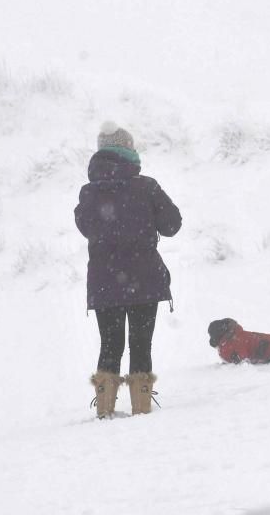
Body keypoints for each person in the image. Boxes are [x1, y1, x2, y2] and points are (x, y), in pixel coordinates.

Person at [75, 122, 182, 417]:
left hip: (104, 281)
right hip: (144, 279)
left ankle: (105, 409)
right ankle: (141, 407)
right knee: (140, 343)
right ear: (128, 151)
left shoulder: (87, 193)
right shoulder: (146, 186)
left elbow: (86, 227)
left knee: (110, 344)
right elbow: (172, 225)